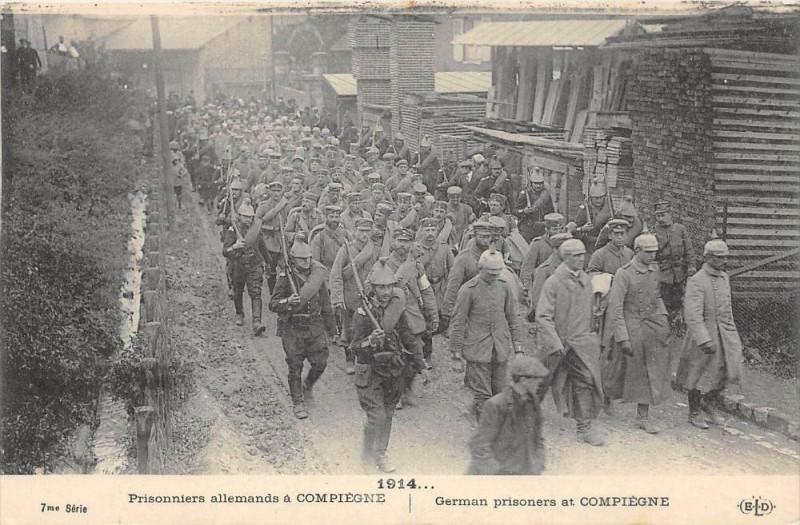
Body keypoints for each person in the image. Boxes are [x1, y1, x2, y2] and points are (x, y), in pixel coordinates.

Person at [349, 258, 428, 472]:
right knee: (377, 416)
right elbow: (353, 347)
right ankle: (366, 456)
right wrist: (369, 341)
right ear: (373, 288)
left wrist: (421, 365)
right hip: (370, 371)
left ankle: (381, 453)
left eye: (388, 286)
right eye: (380, 287)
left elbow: (408, 337)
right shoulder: (362, 313)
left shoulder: (397, 309)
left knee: (389, 413)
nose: (385, 292)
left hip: (393, 370)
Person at [535, 239, 605, 446]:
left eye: (583, 254)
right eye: (576, 255)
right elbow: (543, 316)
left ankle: (584, 428)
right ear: (565, 257)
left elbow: (588, 311)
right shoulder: (553, 282)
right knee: (541, 382)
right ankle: (525, 419)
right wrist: (554, 343)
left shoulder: (586, 280)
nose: (581, 258)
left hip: (579, 346)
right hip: (555, 346)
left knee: (585, 379)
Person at [607, 234, 673, 433]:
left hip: (652, 324)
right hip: (631, 324)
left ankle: (642, 417)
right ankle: (602, 394)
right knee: (617, 369)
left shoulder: (655, 269)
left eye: (655, 251)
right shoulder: (624, 274)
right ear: (636, 251)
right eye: (648, 252)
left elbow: (657, 296)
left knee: (648, 370)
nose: (653, 255)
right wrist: (623, 336)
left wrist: (663, 320)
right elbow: (616, 307)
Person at [675, 239, 743, 430]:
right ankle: (694, 411)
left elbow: (727, 309)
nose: (724, 261)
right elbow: (693, 314)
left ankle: (709, 402)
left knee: (728, 370)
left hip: (725, 333)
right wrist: (704, 339)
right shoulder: (697, 280)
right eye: (719, 257)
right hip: (703, 333)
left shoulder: (724, 277)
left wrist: (731, 335)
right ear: (708, 257)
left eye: (725, 257)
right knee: (697, 374)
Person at [450, 249, 525, 420]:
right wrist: (456, 354)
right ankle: (485, 434)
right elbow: (457, 323)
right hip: (477, 350)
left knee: (500, 393)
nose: (494, 277)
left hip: (499, 349)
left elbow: (513, 318)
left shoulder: (504, 286)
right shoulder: (468, 290)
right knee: (482, 396)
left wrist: (519, 348)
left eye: (497, 273)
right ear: (480, 268)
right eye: (490, 273)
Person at [268, 239, 337, 419]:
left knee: (320, 362)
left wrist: (333, 330)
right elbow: (273, 304)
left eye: (308, 258)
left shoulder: (316, 278)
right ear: (293, 259)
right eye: (301, 259)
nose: (306, 262)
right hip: (293, 329)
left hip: (314, 327)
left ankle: (308, 385)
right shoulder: (285, 277)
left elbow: (326, 304)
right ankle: (298, 401)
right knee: (295, 366)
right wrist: (288, 302)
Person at [467, 356, 549, 475]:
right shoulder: (496, 405)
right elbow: (480, 446)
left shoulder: (533, 401)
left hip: (524, 471)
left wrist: (538, 461)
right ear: (523, 380)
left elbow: (538, 437)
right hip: (499, 474)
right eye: (536, 378)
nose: (540, 382)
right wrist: (497, 474)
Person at [383, 227, 437, 408]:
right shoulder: (384, 264)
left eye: (406, 241)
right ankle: (395, 393)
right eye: (399, 241)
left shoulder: (417, 265)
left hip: (413, 315)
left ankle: (407, 389)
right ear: (393, 243)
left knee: (416, 353)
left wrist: (432, 311)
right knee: (394, 356)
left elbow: (426, 290)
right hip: (392, 315)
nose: (402, 245)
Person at [586, 218, 634, 414]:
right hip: (605, 311)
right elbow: (590, 275)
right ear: (610, 234)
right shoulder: (600, 255)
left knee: (619, 354)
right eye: (616, 233)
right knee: (604, 352)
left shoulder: (629, 254)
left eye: (623, 233)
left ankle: (610, 393)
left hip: (624, 309)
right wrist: (610, 279)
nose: (620, 237)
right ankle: (598, 393)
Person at [329, 218, 377, 374]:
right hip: (350, 297)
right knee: (349, 331)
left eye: (367, 231)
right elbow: (336, 275)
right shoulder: (346, 250)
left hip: (369, 297)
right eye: (361, 230)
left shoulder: (375, 250)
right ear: (355, 231)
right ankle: (349, 360)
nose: (364, 234)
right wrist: (337, 299)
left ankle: (365, 361)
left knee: (368, 329)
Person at [222, 203, 269, 334]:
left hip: (253, 264)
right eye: (245, 217)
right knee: (238, 291)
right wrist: (235, 246)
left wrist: (268, 262)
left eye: (250, 217)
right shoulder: (232, 231)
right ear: (239, 217)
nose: (248, 220)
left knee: (255, 293)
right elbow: (225, 251)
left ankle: (257, 322)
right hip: (237, 265)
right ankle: (239, 313)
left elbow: (263, 248)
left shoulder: (255, 231)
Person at [441, 220, 493, 328]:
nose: (485, 241)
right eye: (481, 237)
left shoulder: (494, 255)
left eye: (488, 237)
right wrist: (448, 312)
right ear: (474, 236)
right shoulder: (464, 258)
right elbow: (453, 285)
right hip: (469, 305)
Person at [652, 200, 696, 329]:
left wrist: (691, 269)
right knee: (664, 303)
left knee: (679, 302)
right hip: (663, 274)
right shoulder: (653, 232)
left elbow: (689, 251)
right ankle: (666, 327)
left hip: (679, 274)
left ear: (670, 214)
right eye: (658, 216)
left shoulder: (680, 229)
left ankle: (678, 326)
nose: (660, 219)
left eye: (663, 215)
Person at [520, 212, 564, 301]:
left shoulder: (566, 243)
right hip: (542, 284)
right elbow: (527, 267)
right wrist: (526, 288)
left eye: (560, 229)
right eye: (555, 229)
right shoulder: (537, 244)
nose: (558, 232)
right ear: (547, 229)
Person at [515, 167, 554, 242]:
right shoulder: (525, 195)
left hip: (542, 228)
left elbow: (551, 212)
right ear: (531, 183)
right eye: (536, 183)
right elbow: (515, 211)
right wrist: (523, 211)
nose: (538, 186)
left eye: (540, 183)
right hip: (528, 228)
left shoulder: (546, 197)